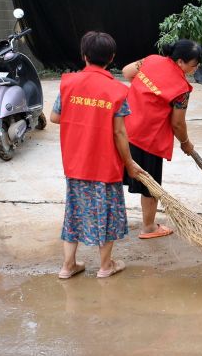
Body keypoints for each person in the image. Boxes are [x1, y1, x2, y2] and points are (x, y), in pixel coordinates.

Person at [50, 31, 141, 279]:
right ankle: (105, 266)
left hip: (76, 162)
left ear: (84, 55)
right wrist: (130, 164)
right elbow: (120, 134)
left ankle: (68, 267)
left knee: (74, 212)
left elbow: (55, 117)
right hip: (104, 165)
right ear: (111, 58)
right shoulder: (116, 90)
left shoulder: (69, 83)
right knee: (107, 213)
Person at [121, 40, 202, 238]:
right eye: (194, 65)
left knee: (114, 175)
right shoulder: (182, 89)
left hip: (123, 129)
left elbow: (126, 71)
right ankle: (148, 227)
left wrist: (145, 91)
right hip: (148, 138)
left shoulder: (151, 60)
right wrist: (185, 143)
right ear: (181, 62)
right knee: (150, 185)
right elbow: (177, 124)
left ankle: (104, 219)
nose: (196, 68)